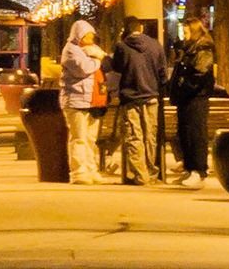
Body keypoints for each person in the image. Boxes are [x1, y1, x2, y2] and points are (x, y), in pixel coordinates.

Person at [109, 19, 168, 185]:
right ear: (141, 28)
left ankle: (140, 175)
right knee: (151, 137)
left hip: (130, 97)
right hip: (151, 96)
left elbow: (116, 69)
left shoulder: (122, 47)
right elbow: (163, 74)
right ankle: (151, 172)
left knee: (135, 136)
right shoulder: (156, 45)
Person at [169, 15, 218, 189]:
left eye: (187, 31)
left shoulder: (203, 49)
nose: (184, 34)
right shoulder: (189, 49)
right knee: (185, 133)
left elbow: (199, 73)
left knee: (196, 134)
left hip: (196, 97)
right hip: (186, 97)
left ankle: (199, 170)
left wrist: (185, 86)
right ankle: (189, 168)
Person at [59, 20, 109, 185]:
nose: (89, 41)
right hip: (76, 100)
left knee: (90, 138)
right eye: (86, 37)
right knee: (78, 137)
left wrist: (97, 56)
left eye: (91, 37)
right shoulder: (70, 51)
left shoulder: (92, 50)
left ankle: (90, 168)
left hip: (92, 99)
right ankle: (79, 172)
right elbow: (83, 69)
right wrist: (98, 60)